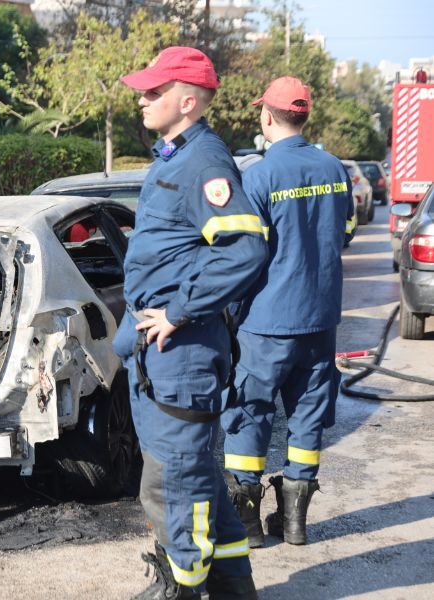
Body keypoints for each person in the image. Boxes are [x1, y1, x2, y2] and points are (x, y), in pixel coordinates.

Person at [114, 47, 268, 599]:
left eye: (153, 91)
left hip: (181, 354)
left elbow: (246, 251)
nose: (142, 98)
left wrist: (180, 310)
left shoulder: (204, 162)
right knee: (197, 476)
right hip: (161, 356)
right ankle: (232, 588)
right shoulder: (174, 156)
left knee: (176, 483)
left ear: (187, 100)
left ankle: (182, 588)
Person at [221, 77, 355, 548]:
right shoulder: (334, 168)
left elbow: (242, 255)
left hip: (265, 322)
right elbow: (348, 231)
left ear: (266, 116)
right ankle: (295, 523)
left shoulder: (256, 176)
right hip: (320, 320)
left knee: (249, 414)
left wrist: (228, 312)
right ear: (304, 116)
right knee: (307, 418)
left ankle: (249, 527)